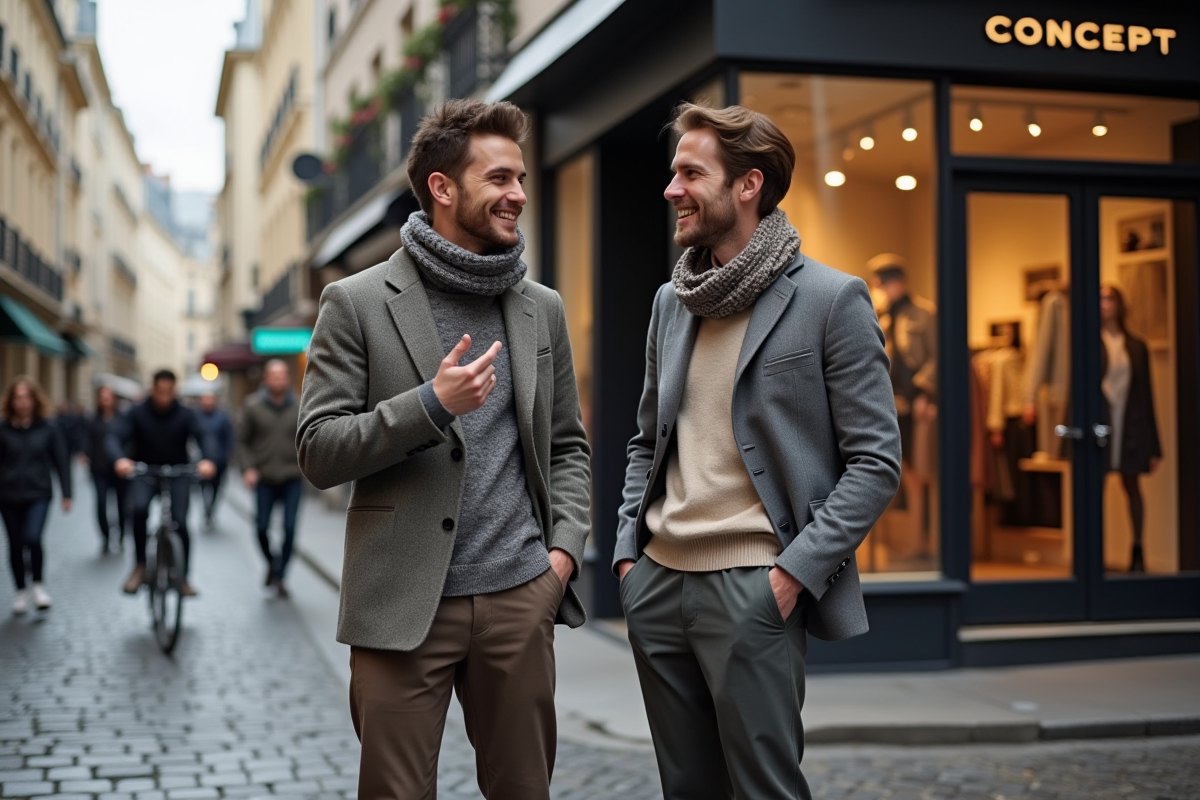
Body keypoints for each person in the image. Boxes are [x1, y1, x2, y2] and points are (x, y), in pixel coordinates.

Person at [297, 99, 591, 800]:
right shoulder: (357, 301)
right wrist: (430, 405)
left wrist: (561, 556)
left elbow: (568, 445)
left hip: (520, 594)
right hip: (401, 606)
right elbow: (317, 450)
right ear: (442, 187)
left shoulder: (539, 306)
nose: (518, 193)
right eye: (499, 179)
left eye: (520, 178)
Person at [613, 104, 901, 800]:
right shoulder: (670, 302)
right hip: (657, 584)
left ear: (748, 185)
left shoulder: (832, 300)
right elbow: (648, 439)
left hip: (754, 587)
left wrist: (793, 574)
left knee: (765, 788)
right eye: (673, 172)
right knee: (687, 788)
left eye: (690, 173)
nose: (671, 188)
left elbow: (875, 462)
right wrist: (629, 553)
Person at [109, 369, 216, 597]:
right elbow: (115, 437)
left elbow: (204, 436)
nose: (164, 397)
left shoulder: (186, 413)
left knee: (180, 521)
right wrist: (120, 459)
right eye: (160, 392)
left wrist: (207, 459)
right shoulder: (137, 412)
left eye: (169, 392)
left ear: (174, 391)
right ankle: (139, 565)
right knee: (138, 510)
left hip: (178, 472)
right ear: (153, 390)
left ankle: (184, 577)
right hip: (145, 472)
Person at [870, 254, 937, 553]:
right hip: (890, 405)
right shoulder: (880, 316)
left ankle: (926, 542)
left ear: (897, 282)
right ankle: (905, 543)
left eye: (885, 284)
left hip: (920, 406)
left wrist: (926, 393)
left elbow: (938, 358)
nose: (883, 290)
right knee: (898, 471)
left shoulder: (925, 314)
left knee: (923, 473)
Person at [1100, 284, 1161, 573]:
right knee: (1093, 490)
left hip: (1131, 426)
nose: (1104, 304)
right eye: (1099, 298)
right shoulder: (1088, 342)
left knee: (1132, 486)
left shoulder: (1136, 346)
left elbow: (1147, 396)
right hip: (1100, 425)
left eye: (1109, 298)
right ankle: (1092, 553)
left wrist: (1155, 446)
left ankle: (1137, 550)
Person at [0, 376, 73, 613]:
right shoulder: (3, 428)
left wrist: (67, 493)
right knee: (15, 543)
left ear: (34, 400)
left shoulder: (48, 427)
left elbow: (61, 461)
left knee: (32, 538)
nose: (22, 402)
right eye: (18, 398)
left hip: (38, 492)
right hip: (8, 495)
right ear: (11, 401)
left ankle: (38, 585)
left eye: (26, 397)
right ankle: (21, 590)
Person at [238, 359, 302, 597]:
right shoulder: (253, 405)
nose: (279, 379)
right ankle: (273, 564)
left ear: (287, 379)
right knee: (261, 528)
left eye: (283, 375)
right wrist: (248, 469)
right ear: (266, 379)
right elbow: (242, 440)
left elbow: (307, 438)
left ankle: (280, 575)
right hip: (263, 477)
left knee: (289, 528)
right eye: (274, 375)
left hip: (292, 477)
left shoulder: (299, 405)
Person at [84, 384, 127, 554]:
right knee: (101, 504)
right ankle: (106, 536)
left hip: (120, 471)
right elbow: (87, 440)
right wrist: (85, 453)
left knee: (122, 505)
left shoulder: (122, 419)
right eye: (103, 397)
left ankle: (122, 534)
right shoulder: (93, 420)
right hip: (99, 470)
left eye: (108, 397)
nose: (106, 401)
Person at [195, 392, 234, 528]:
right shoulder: (196, 416)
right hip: (201, 460)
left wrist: (226, 455)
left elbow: (229, 437)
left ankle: (211, 508)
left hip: (219, 461)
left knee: (216, 486)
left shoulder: (222, 417)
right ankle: (206, 507)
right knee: (203, 486)